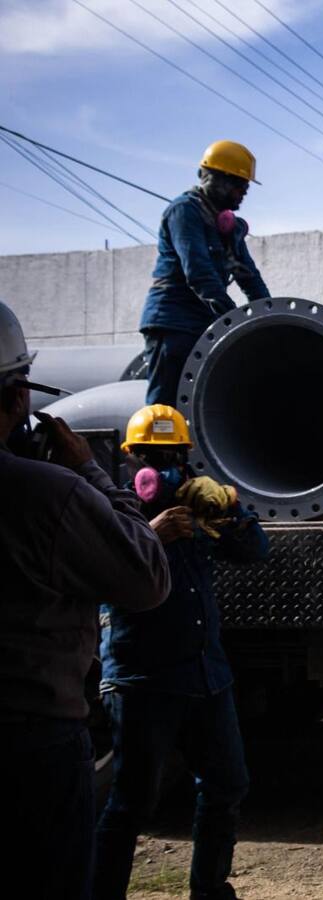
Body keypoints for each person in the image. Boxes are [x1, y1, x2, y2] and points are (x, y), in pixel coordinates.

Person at [0, 300, 170, 900]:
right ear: (18, 395)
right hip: (32, 744)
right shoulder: (45, 495)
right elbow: (144, 575)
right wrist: (94, 478)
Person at [94, 404, 269, 900]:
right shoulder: (117, 508)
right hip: (143, 680)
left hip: (205, 675)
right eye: (153, 456)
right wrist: (152, 534)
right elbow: (101, 573)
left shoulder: (199, 507)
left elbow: (256, 552)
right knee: (131, 802)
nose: (166, 469)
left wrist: (231, 510)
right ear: (132, 461)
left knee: (227, 785)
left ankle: (209, 891)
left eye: (174, 456)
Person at [140, 140, 270, 405]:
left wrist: (269, 317)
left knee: (203, 401)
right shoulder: (184, 212)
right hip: (173, 321)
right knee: (166, 405)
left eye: (245, 186)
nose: (243, 192)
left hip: (204, 320)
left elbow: (250, 278)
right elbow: (199, 273)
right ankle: (155, 447)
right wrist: (234, 320)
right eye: (238, 184)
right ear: (213, 178)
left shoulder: (230, 228)